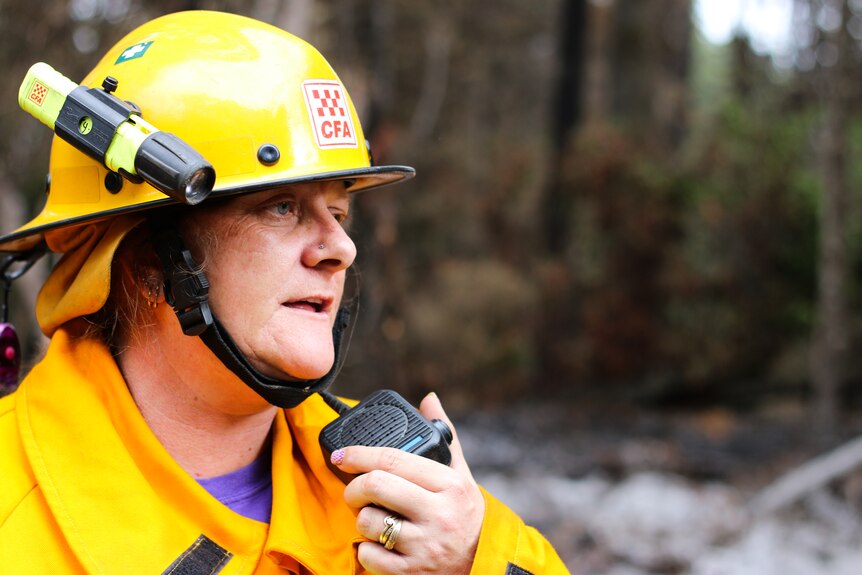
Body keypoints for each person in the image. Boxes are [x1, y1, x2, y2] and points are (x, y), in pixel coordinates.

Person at [0, 11, 569, 575]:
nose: (341, 247)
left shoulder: (414, 501)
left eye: (340, 211)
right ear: (152, 262)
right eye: (282, 208)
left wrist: (475, 562)